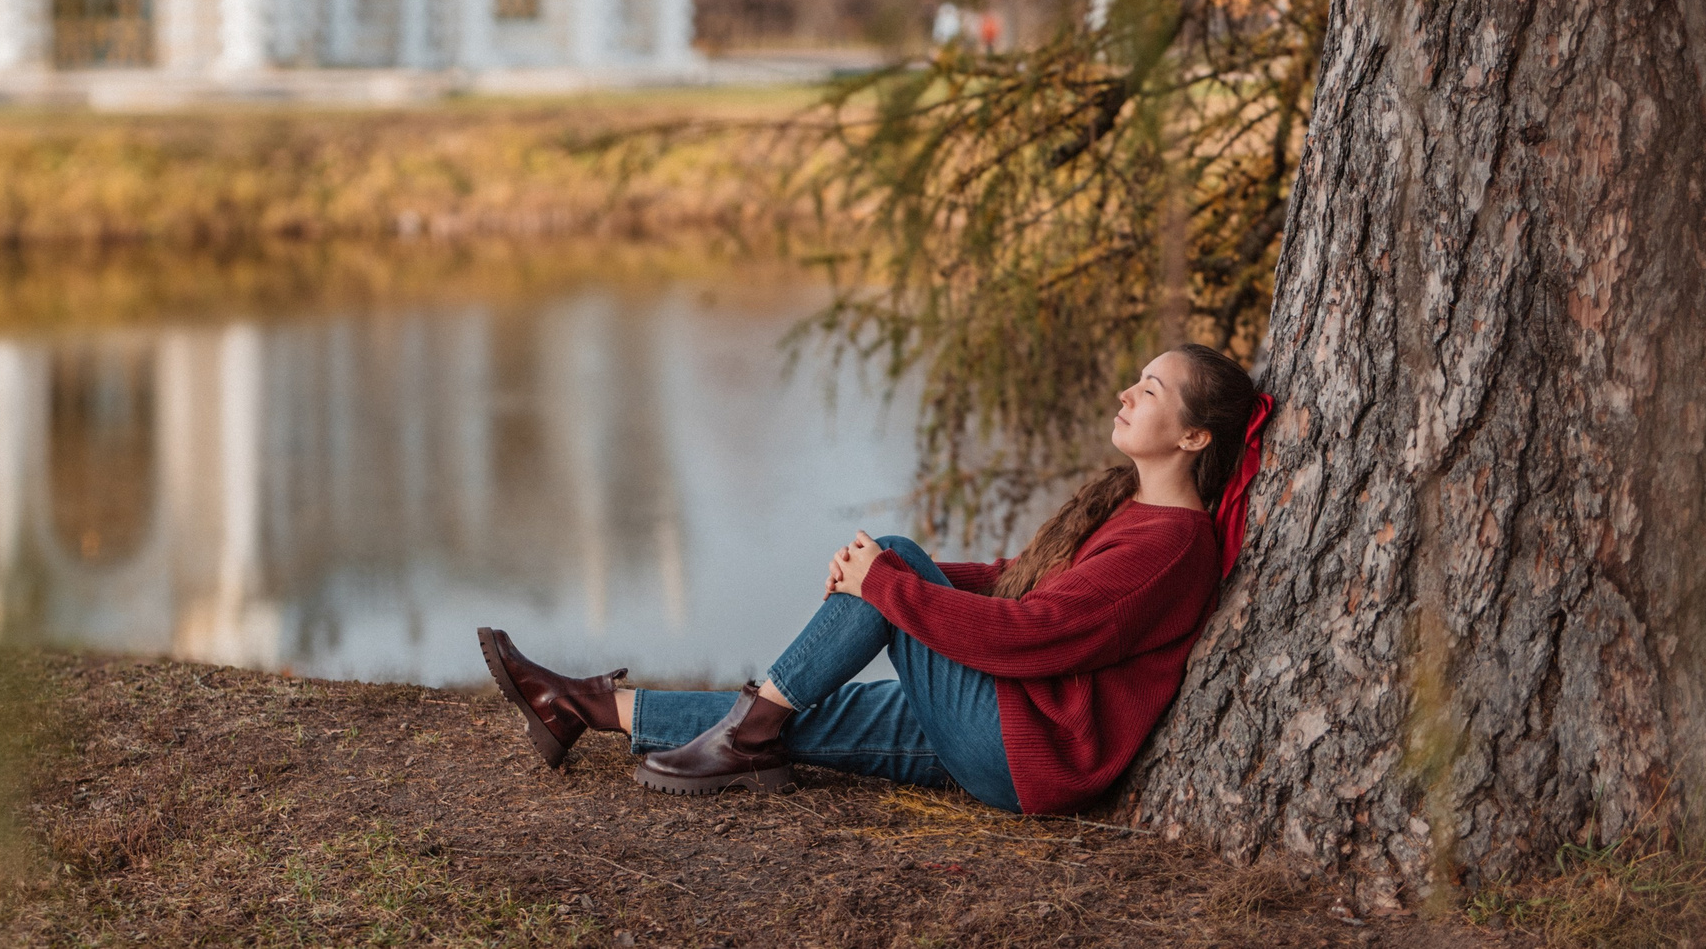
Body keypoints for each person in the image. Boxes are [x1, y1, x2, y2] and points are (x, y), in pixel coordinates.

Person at [477, 344, 1272, 816]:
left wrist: (886, 582)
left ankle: (746, 737)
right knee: (809, 707)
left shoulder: (1169, 546)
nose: (1129, 393)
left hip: (1027, 747)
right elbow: (1015, 585)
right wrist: (896, 581)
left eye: (1153, 390)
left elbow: (1029, 636)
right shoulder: (1129, 509)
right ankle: (582, 706)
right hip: (1009, 736)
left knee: (887, 555)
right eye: (1138, 378)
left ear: (1196, 434)